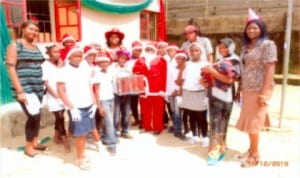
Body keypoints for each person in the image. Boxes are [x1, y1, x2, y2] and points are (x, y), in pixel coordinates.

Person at [235, 9, 277, 168]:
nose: (251, 30)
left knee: (253, 123)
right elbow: (244, 69)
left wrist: (264, 95)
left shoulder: (268, 44)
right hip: (247, 89)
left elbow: (270, 69)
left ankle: (255, 154)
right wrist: (240, 89)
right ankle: (250, 149)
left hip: (260, 89)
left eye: (255, 27)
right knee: (249, 122)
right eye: (249, 28)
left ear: (261, 29)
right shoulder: (246, 47)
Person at [6, 20, 47, 157]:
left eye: (36, 30)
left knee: (37, 116)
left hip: (37, 87)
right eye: (31, 29)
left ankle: (35, 142)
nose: (34, 32)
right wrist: (20, 91)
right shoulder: (15, 45)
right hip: (25, 88)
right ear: (23, 29)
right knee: (33, 117)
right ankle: (28, 147)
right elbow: (11, 67)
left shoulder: (35, 47)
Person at [201, 38, 241, 165]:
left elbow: (230, 80)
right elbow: (213, 78)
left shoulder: (234, 61)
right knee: (215, 123)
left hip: (225, 96)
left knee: (219, 123)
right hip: (214, 95)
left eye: (225, 47)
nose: (222, 50)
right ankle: (220, 147)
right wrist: (204, 82)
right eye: (220, 48)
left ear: (232, 47)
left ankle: (215, 152)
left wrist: (212, 71)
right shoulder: (219, 61)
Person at [57, 46, 98, 170]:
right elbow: (60, 91)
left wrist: (94, 103)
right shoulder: (63, 71)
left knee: (85, 131)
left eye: (80, 56)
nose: (78, 58)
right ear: (69, 57)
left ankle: (81, 152)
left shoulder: (85, 69)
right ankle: (80, 159)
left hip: (87, 105)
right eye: (75, 56)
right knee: (81, 134)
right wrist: (71, 107)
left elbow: (89, 87)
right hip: (76, 107)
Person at [133, 42, 167, 135]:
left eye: (151, 49)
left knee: (158, 110)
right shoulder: (140, 60)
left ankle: (158, 127)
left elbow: (164, 75)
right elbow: (135, 71)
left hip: (157, 89)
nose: (149, 51)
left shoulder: (160, 60)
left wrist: (163, 89)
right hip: (144, 88)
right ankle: (146, 126)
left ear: (155, 50)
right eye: (147, 49)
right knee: (145, 109)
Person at [42, 44, 71, 153]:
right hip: (54, 95)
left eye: (58, 52)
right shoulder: (45, 65)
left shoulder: (61, 64)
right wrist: (56, 95)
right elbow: (46, 83)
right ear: (49, 53)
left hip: (62, 93)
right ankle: (65, 142)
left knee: (60, 117)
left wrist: (60, 67)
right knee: (60, 118)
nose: (57, 54)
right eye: (54, 52)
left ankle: (55, 137)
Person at [181, 42, 209, 146]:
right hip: (188, 92)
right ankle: (194, 135)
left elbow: (208, 82)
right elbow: (183, 78)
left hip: (200, 93)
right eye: (192, 50)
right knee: (191, 116)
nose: (194, 52)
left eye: (196, 50)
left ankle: (205, 137)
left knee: (201, 117)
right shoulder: (186, 64)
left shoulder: (206, 65)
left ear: (201, 52)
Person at [93, 52, 117, 155]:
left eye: (106, 62)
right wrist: (99, 106)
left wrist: (114, 100)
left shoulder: (110, 73)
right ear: (98, 64)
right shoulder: (97, 75)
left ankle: (107, 138)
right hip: (103, 100)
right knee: (109, 121)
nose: (104, 64)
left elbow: (112, 87)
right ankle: (112, 144)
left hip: (111, 98)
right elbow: (97, 90)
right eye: (101, 62)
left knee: (109, 120)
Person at [109, 49, 133, 139]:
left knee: (126, 113)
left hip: (127, 93)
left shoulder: (129, 67)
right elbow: (110, 79)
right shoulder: (112, 67)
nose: (123, 60)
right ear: (118, 58)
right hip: (116, 93)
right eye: (121, 58)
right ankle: (114, 132)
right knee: (116, 114)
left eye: (125, 58)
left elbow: (132, 79)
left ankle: (125, 131)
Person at [168, 50, 188, 140]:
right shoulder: (172, 68)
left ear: (185, 59)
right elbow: (172, 81)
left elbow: (180, 82)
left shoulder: (187, 69)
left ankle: (178, 131)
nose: (179, 60)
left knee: (178, 112)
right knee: (173, 111)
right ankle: (175, 127)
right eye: (177, 58)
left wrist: (181, 71)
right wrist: (172, 91)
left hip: (180, 93)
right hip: (172, 92)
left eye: (181, 58)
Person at [127, 41, 143, 127]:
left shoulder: (143, 59)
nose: (138, 52)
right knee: (133, 102)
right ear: (132, 50)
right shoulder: (128, 60)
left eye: (140, 51)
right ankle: (136, 118)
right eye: (136, 50)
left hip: (141, 83)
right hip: (132, 83)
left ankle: (143, 119)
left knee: (142, 102)